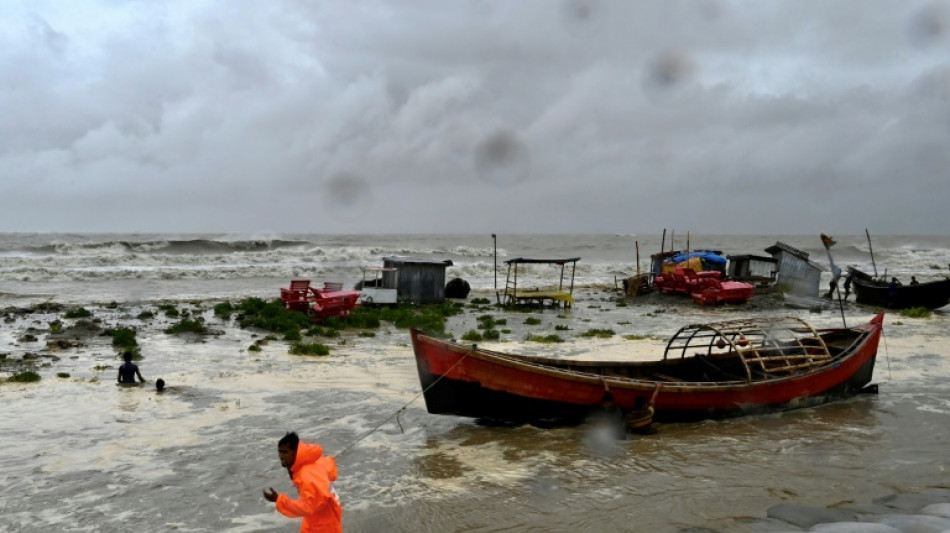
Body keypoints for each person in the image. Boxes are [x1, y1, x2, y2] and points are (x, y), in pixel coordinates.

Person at [263, 432, 342, 533]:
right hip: (316, 517)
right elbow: (329, 463)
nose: (281, 456)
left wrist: (279, 500)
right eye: (280, 452)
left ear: (296, 452)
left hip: (324, 524)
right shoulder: (312, 461)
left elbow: (308, 508)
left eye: (285, 452)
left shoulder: (306, 476)